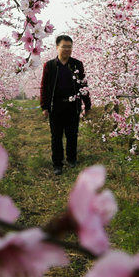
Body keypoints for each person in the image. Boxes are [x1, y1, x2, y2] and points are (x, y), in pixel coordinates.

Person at [39, 35, 90, 175]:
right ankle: (57, 164)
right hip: (56, 106)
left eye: (70, 47)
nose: (67, 49)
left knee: (72, 134)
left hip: (73, 106)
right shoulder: (49, 65)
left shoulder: (76, 64)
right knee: (56, 136)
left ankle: (72, 159)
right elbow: (44, 86)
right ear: (57, 47)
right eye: (64, 47)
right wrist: (44, 106)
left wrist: (87, 105)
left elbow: (83, 85)